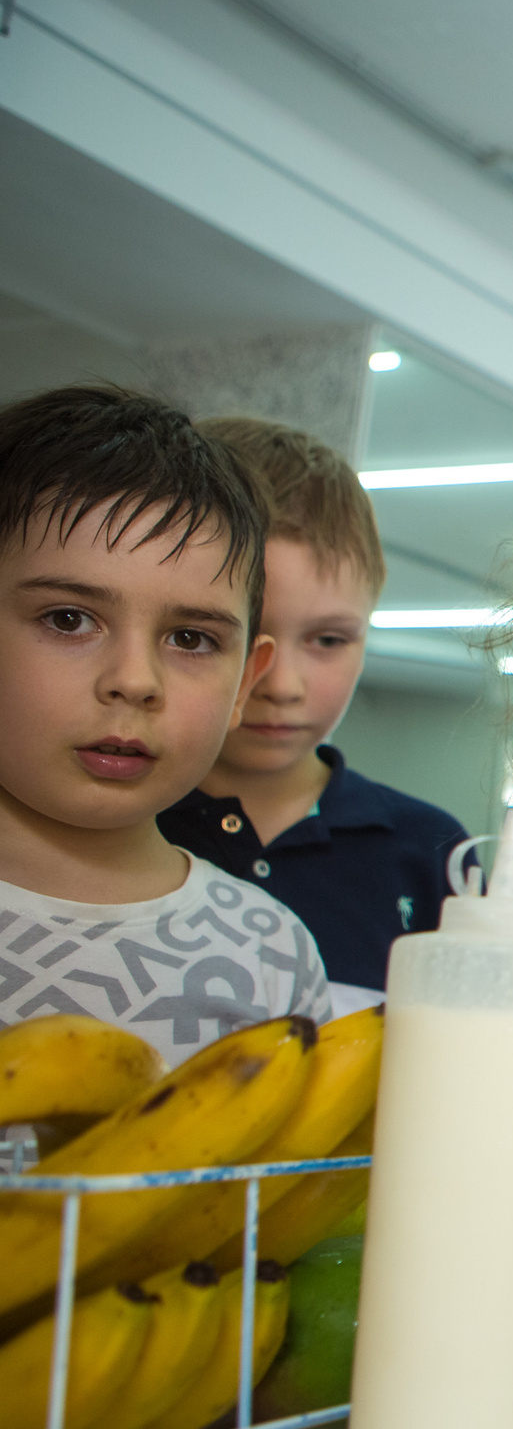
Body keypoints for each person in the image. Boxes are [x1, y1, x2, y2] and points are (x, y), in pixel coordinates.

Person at [0, 384, 328, 1060]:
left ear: (245, 682)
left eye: (190, 639)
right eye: (69, 619)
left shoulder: (271, 953)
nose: (135, 680)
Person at [158, 417, 469, 1013]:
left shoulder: (431, 853)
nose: (283, 685)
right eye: (246, 635)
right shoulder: (114, 821)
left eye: (328, 640)